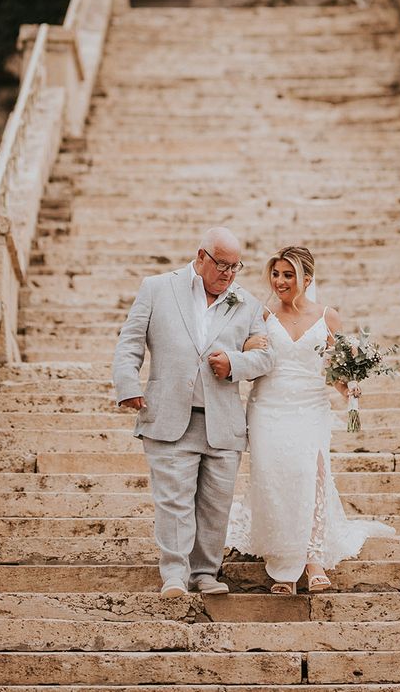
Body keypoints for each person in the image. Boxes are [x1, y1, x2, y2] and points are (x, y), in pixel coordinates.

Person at [113, 227, 275, 598]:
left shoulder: (246, 303)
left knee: (216, 504)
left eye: (236, 267)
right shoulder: (157, 288)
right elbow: (130, 341)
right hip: (169, 415)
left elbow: (266, 356)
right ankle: (174, 574)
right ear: (201, 257)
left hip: (222, 421)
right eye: (222, 265)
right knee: (174, 501)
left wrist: (233, 362)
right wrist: (127, 386)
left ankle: (205, 572)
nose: (229, 274)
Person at [228, 246, 395, 594]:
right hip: (268, 407)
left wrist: (349, 388)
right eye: (275, 274)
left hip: (311, 407)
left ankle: (314, 558)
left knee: (314, 476)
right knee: (273, 479)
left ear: (307, 279)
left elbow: (334, 370)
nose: (280, 281)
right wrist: (246, 347)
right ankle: (282, 565)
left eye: (288, 275)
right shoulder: (259, 315)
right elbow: (246, 355)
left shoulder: (328, 317)